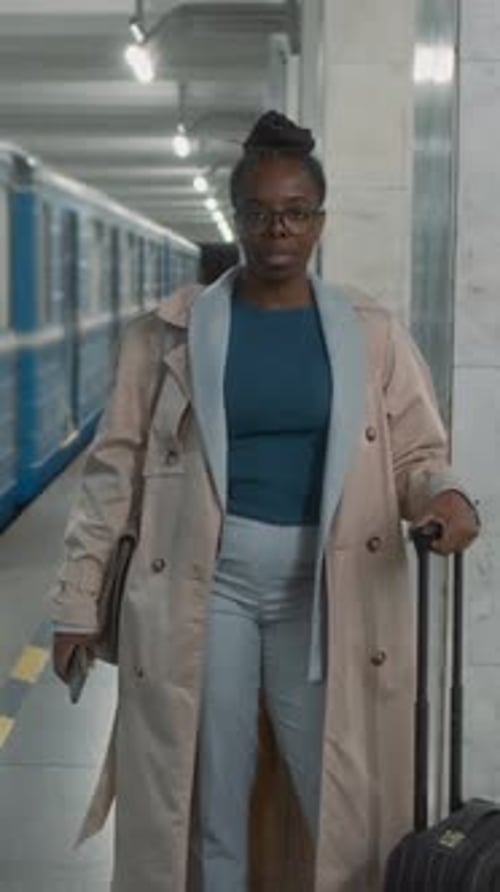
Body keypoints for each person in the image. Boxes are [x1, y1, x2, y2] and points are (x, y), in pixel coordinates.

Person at [52, 111, 480, 892]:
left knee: (336, 787)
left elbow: (418, 454)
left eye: (295, 212)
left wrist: (446, 495)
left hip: (327, 592)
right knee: (212, 786)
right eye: (258, 212)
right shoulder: (167, 335)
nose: (277, 229)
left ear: (319, 222)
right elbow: (112, 474)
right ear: (238, 219)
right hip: (208, 585)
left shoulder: (371, 333)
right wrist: (76, 602)